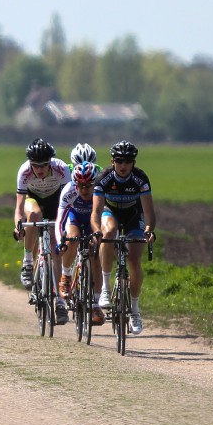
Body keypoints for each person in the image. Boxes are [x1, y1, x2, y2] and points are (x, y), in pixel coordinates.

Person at [92, 140, 157, 335]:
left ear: (133, 163)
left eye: (127, 161)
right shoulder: (103, 178)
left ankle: (135, 311)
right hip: (109, 212)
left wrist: (149, 230)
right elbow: (95, 212)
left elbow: (149, 212)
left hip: (133, 216)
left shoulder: (140, 179)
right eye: (119, 161)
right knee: (108, 232)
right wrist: (96, 230)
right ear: (112, 161)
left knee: (134, 259)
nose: (123, 165)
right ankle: (105, 287)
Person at [13, 137, 72, 324]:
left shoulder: (62, 169)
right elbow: (19, 207)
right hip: (33, 199)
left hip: (57, 201)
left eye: (43, 165)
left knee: (56, 250)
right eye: (35, 165)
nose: (39, 170)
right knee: (34, 215)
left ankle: (61, 303)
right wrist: (18, 226)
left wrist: (65, 229)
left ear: (50, 163)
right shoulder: (24, 171)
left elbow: (68, 202)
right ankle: (28, 262)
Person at [56, 161, 107, 326]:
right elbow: (59, 220)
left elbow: (107, 216)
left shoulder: (101, 191)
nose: (84, 190)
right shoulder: (69, 191)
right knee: (72, 238)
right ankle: (66, 276)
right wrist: (59, 241)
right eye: (81, 185)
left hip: (93, 222)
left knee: (95, 257)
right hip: (75, 218)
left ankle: (95, 304)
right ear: (75, 183)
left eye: (89, 186)